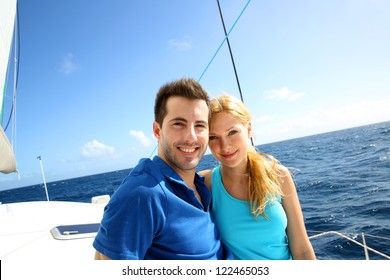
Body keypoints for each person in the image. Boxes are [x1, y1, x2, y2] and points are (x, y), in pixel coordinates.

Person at [93, 78, 231, 260]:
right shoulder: (142, 194)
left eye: (199, 125)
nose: (191, 137)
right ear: (157, 131)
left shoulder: (200, 186)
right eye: (179, 124)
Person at [199, 94, 316, 260]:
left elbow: (302, 249)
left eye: (232, 132)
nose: (225, 146)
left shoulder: (279, 175)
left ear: (248, 130)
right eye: (213, 137)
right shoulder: (207, 183)